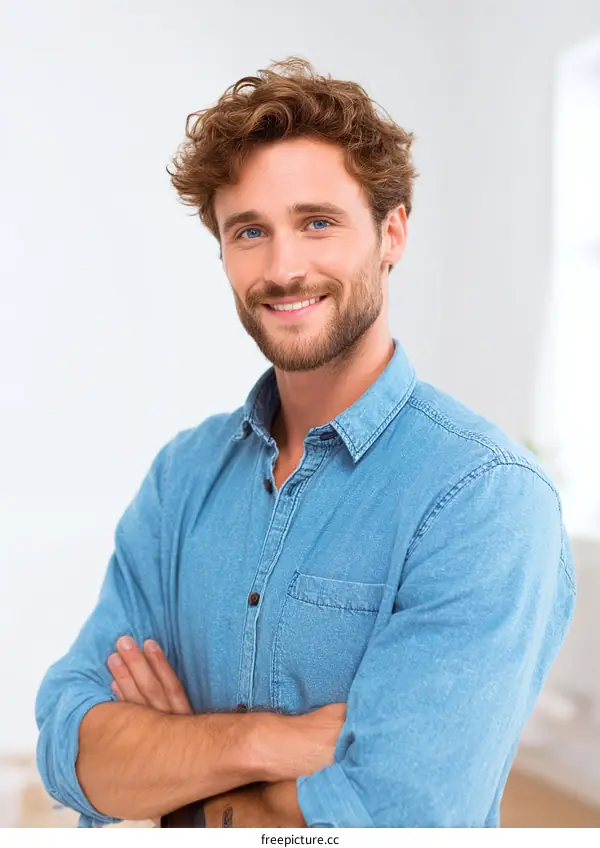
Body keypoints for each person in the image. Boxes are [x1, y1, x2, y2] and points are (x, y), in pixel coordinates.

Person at [35, 56, 576, 829]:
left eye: (317, 221)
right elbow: (67, 743)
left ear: (392, 233)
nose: (284, 268)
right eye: (249, 231)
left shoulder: (485, 498)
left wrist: (178, 794)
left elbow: (397, 818)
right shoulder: (183, 478)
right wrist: (269, 743)